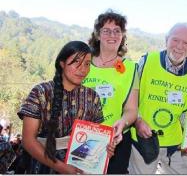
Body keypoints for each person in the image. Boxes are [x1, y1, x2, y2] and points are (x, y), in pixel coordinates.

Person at [17, 41, 116, 174]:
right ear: (62, 63)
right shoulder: (41, 92)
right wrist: (61, 167)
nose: (83, 69)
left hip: (79, 166)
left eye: (87, 64)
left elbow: (95, 139)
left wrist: (106, 148)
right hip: (41, 165)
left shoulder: (93, 97)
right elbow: (28, 140)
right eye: (76, 62)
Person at [129, 23, 187, 174]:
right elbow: (131, 97)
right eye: (175, 40)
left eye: (186, 43)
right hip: (143, 139)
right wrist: (137, 121)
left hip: (175, 144)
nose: (179, 46)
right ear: (166, 40)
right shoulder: (147, 60)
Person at [82, 10, 138, 174]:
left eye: (117, 31)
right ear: (98, 35)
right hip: (82, 136)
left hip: (116, 139)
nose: (112, 35)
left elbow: (131, 110)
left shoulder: (131, 68)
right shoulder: (83, 61)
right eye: (106, 30)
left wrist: (123, 123)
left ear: (122, 36)